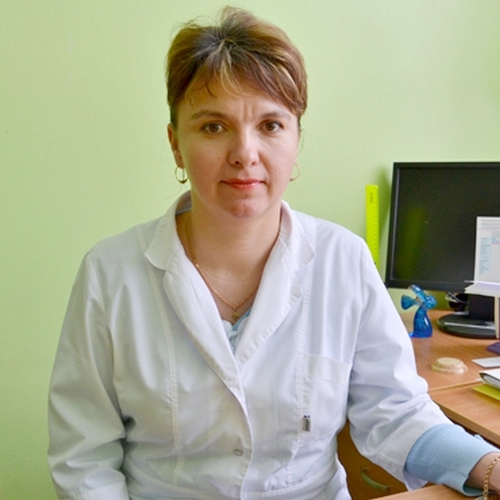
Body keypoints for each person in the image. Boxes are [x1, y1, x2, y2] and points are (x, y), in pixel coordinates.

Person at [48, 6, 500, 499]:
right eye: (213, 127)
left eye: (270, 125)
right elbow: (84, 458)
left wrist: (490, 467)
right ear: (176, 144)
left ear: (296, 140)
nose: (245, 153)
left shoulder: (343, 260)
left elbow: (397, 412)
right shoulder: (110, 273)